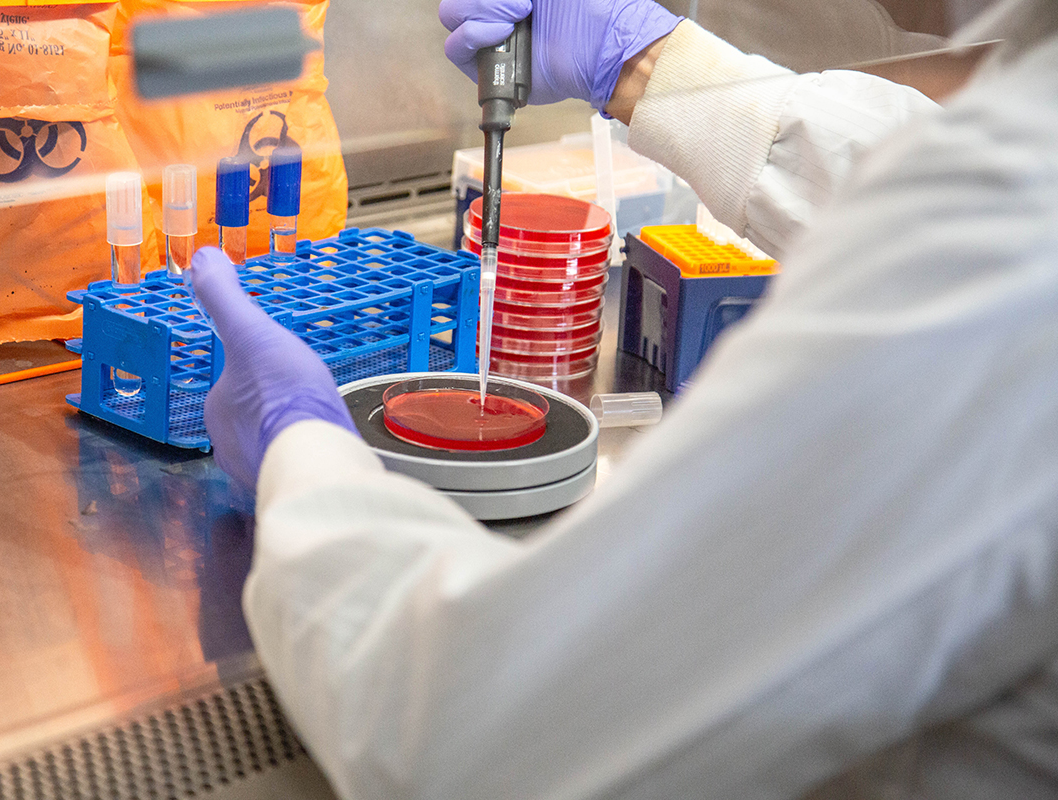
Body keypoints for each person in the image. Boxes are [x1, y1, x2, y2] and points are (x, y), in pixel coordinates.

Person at [187, 0, 1058, 796]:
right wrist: (646, 63)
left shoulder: (1007, 241)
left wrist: (301, 449)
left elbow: (473, 729)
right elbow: (915, 185)